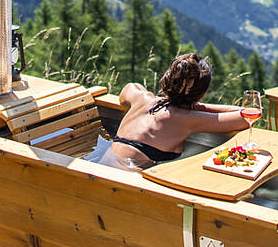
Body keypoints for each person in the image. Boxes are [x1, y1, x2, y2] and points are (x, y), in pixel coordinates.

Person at [84, 52, 252, 170]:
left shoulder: (143, 99)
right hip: (124, 185)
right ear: (201, 93)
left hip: (100, 170)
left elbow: (128, 89)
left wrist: (189, 104)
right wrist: (199, 106)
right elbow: (246, 116)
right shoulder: (188, 119)